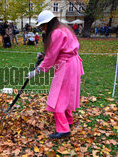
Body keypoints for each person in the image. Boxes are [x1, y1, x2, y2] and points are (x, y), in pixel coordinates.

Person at [27, 10, 84, 139]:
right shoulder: (64, 28)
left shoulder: (57, 32)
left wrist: (36, 71)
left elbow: (52, 56)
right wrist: (43, 54)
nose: (42, 29)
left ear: (48, 23)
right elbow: (58, 49)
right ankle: (68, 121)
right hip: (71, 63)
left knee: (57, 96)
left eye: (43, 26)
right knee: (66, 94)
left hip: (66, 66)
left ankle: (64, 129)